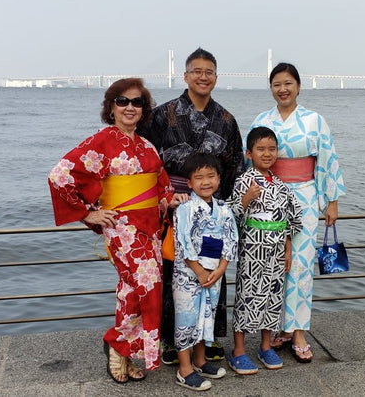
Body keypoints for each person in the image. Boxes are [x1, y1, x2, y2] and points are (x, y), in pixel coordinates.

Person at [48, 78, 185, 384]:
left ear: (144, 109)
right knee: (148, 286)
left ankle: (122, 355)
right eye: (122, 101)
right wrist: (89, 213)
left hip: (149, 229)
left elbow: (160, 186)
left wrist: (170, 199)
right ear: (110, 107)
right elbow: (60, 175)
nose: (130, 107)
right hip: (123, 230)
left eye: (137, 102)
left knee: (129, 292)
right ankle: (117, 341)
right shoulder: (101, 141)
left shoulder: (146, 145)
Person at [137, 47, 245, 364]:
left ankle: (208, 338)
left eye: (208, 71)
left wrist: (225, 211)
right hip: (173, 205)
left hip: (213, 208)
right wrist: (161, 198)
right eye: (196, 71)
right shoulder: (161, 116)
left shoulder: (226, 120)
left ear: (215, 77)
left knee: (212, 272)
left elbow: (235, 168)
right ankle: (172, 340)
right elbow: (145, 161)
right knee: (174, 272)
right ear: (185, 76)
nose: (202, 76)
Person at [249, 63, 346, 363]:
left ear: (299, 86)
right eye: (277, 84)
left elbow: (327, 159)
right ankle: (278, 327)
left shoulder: (315, 120)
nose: (283, 89)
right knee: (274, 262)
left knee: (301, 264)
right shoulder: (261, 119)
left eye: (288, 83)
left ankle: (299, 331)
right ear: (271, 88)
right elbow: (251, 158)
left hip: (304, 196)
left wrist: (331, 201)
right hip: (269, 195)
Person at [227, 127, 302, 374]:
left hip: (276, 249)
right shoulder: (243, 180)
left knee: (272, 297)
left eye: (272, 149)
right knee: (247, 296)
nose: (267, 153)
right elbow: (232, 213)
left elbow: (290, 220)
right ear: (249, 153)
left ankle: (265, 345)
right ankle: (238, 350)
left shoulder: (281, 185)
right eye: (260, 149)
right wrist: (247, 198)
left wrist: (287, 249)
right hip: (252, 250)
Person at [172, 153, 238, 391]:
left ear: (219, 179)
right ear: (189, 183)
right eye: (199, 177)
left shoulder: (224, 209)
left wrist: (221, 268)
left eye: (211, 176)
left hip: (214, 275)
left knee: (205, 316)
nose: (206, 182)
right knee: (186, 318)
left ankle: (200, 360)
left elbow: (231, 239)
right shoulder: (184, 209)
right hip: (189, 275)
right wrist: (199, 271)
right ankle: (184, 369)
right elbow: (183, 243)